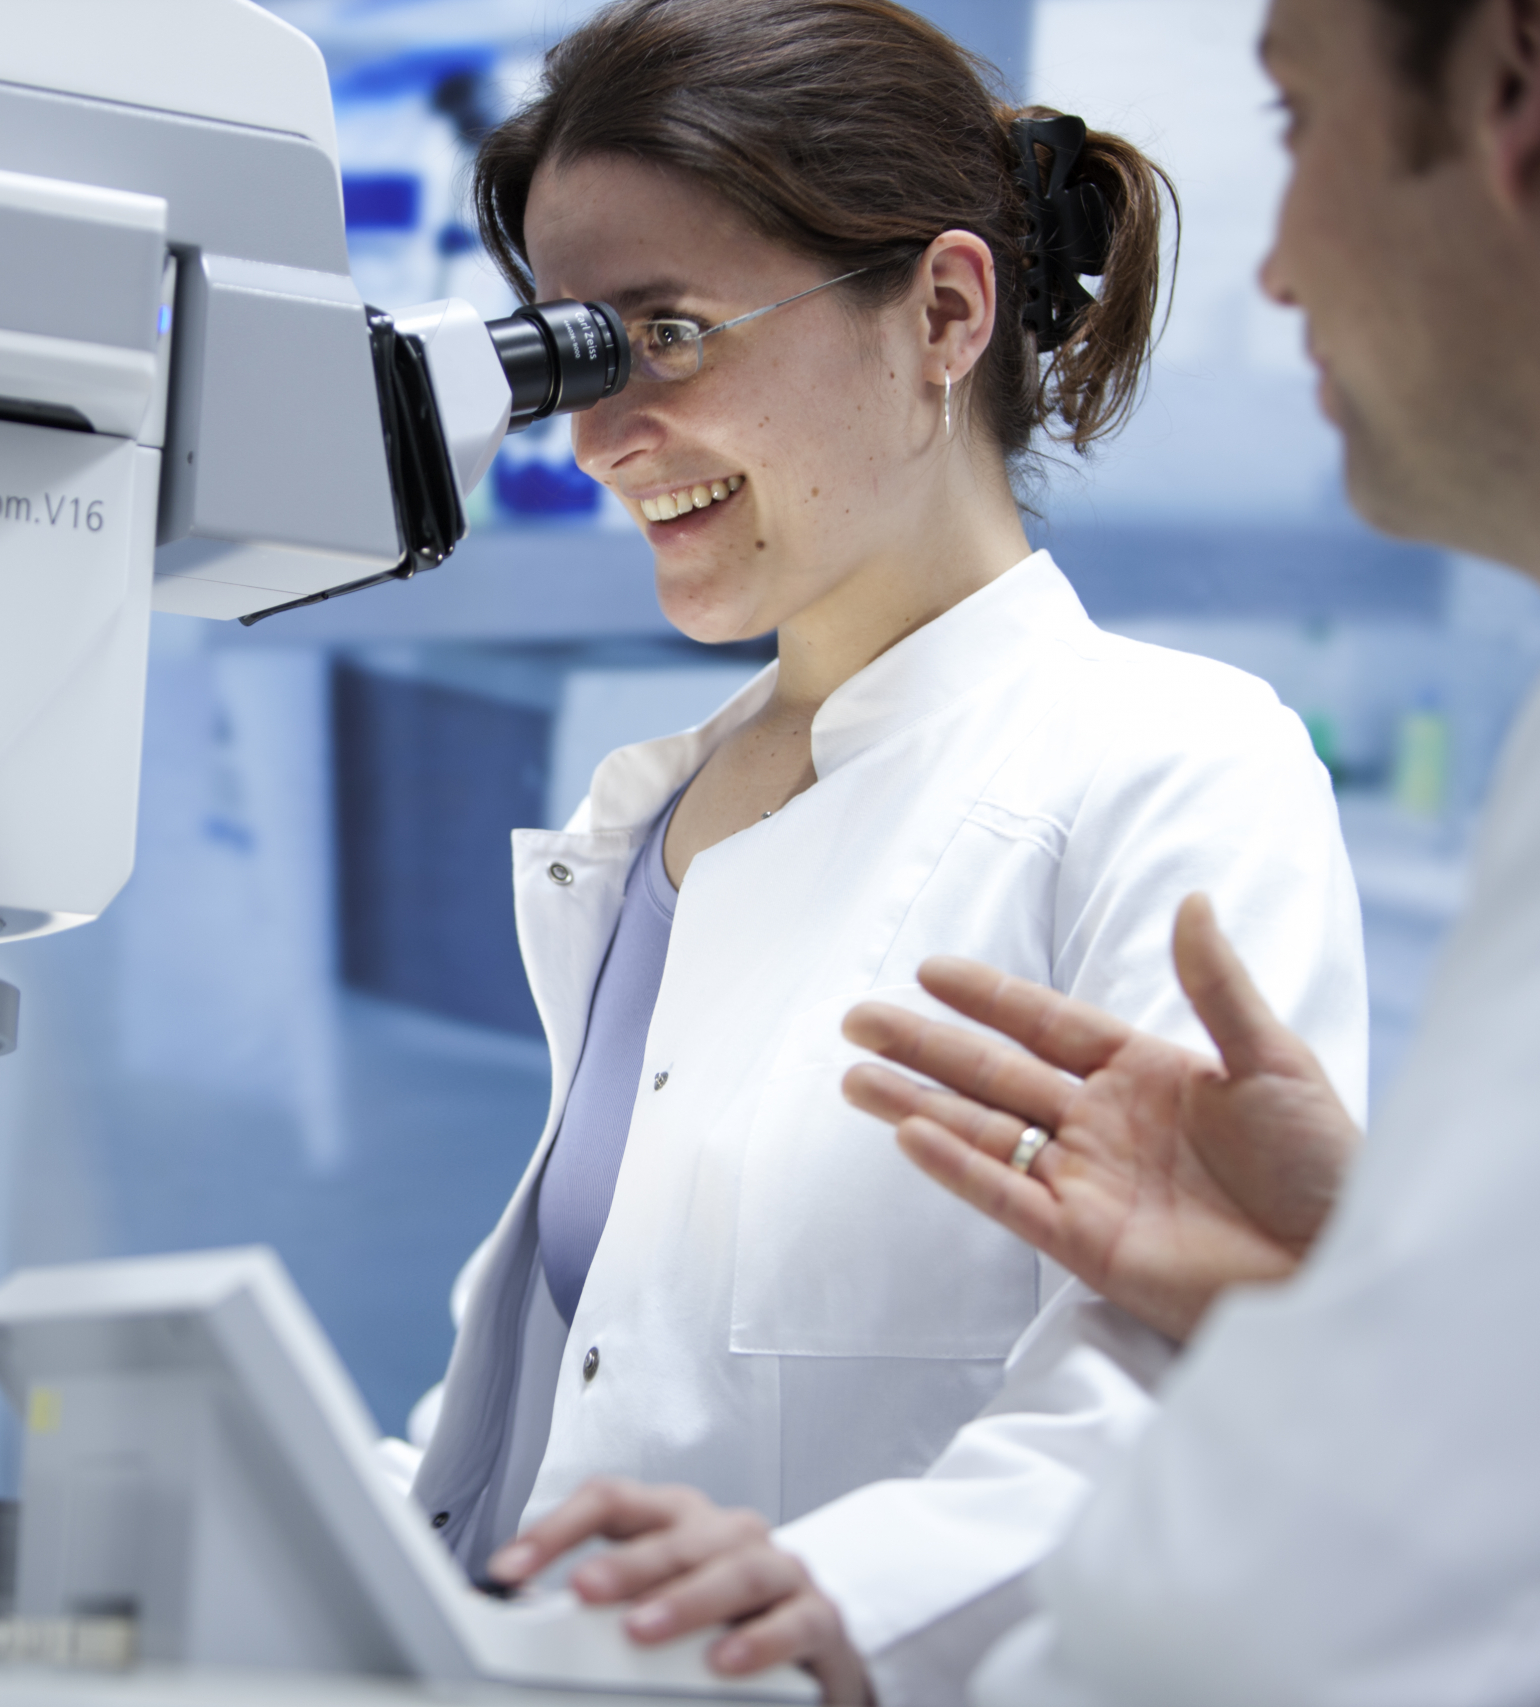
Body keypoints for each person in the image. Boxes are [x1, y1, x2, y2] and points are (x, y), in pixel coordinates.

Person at [392, 2, 1371, 1701]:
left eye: (668, 336)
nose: (602, 434)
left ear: (942, 309)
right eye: (571, 354)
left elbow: (1179, 1384)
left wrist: (836, 1594)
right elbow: (557, 1398)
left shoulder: (1170, 767)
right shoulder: (659, 809)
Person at [832, 0, 1540, 1698]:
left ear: (1511, 74)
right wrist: (1366, 1280)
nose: (1272, 271)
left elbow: (1310, 1621)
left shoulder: (1191, 748)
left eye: (1295, 123)